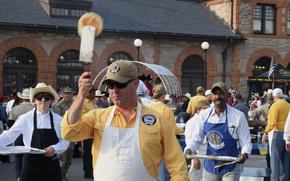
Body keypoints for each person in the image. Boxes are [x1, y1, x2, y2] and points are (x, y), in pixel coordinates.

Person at [61, 60, 189, 181]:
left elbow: (177, 164)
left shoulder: (157, 120)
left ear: (136, 84)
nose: (114, 90)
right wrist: (81, 95)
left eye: (120, 85)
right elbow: (69, 132)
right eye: (111, 85)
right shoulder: (98, 117)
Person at [0, 83, 69, 181]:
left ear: (51, 101)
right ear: (34, 101)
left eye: (47, 97)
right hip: (30, 165)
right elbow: (10, 135)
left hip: (51, 164)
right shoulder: (25, 118)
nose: (43, 100)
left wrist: (55, 148)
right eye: (39, 97)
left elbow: (66, 141)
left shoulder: (59, 120)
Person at [184, 82, 252, 181]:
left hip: (231, 165)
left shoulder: (238, 116)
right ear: (211, 96)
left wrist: (245, 153)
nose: (218, 97)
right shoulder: (204, 115)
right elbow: (197, 138)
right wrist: (189, 149)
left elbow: (246, 141)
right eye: (215, 94)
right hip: (211, 165)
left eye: (221, 93)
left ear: (227, 96)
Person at [148, 84, 183, 181]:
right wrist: (182, 129)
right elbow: (171, 130)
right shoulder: (166, 110)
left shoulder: (146, 107)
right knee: (162, 175)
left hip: (148, 146)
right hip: (161, 146)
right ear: (163, 96)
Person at [262, 88, 290, 181]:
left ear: (273, 97)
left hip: (277, 134)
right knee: (286, 162)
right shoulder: (288, 105)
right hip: (288, 136)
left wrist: (265, 132)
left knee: (275, 162)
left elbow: (272, 123)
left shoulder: (275, 106)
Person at [8, 88, 34, 181]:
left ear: (22, 98)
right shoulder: (35, 109)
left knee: (18, 157)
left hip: (18, 135)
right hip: (31, 136)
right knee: (30, 157)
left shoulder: (15, 109)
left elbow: (10, 124)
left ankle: (19, 177)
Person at [185, 99, 210, 181]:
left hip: (208, 154)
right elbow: (189, 141)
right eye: (205, 109)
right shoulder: (191, 122)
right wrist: (195, 158)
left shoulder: (208, 120)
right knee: (195, 177)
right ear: (198, 109)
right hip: (198, 154)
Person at [53, 87, 75, 180]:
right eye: (65, 93)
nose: (67, 95)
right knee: (63, 159)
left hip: (72, 135)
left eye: (69, 94)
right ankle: (59, 177)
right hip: (62, 135)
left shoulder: (75, 105)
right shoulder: (58, 106)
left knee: (69, 159)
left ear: (72, 95)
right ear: (62, 95)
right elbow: (56, 122)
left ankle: (63, 174)